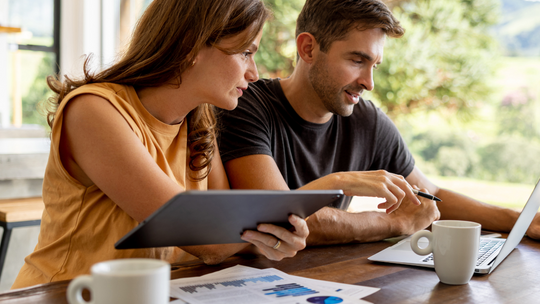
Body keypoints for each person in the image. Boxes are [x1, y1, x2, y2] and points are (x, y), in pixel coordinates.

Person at [12, 0, 311, 289]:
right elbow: (211, 240)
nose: (254, 73)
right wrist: (322, 191)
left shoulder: (199, 122)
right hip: (64, 294)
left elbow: (224, 230)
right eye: (246, 52)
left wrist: (274, 240)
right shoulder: (93, 110)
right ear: (191, 45)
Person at [218, 0, 540, 246]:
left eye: (375, 64)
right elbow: (277, 215)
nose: (369, 82)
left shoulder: (366, 120)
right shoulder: (246, 104)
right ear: (308, 48)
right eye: (357, 60)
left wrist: (522, 222)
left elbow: (430, 193)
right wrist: (395, 224)